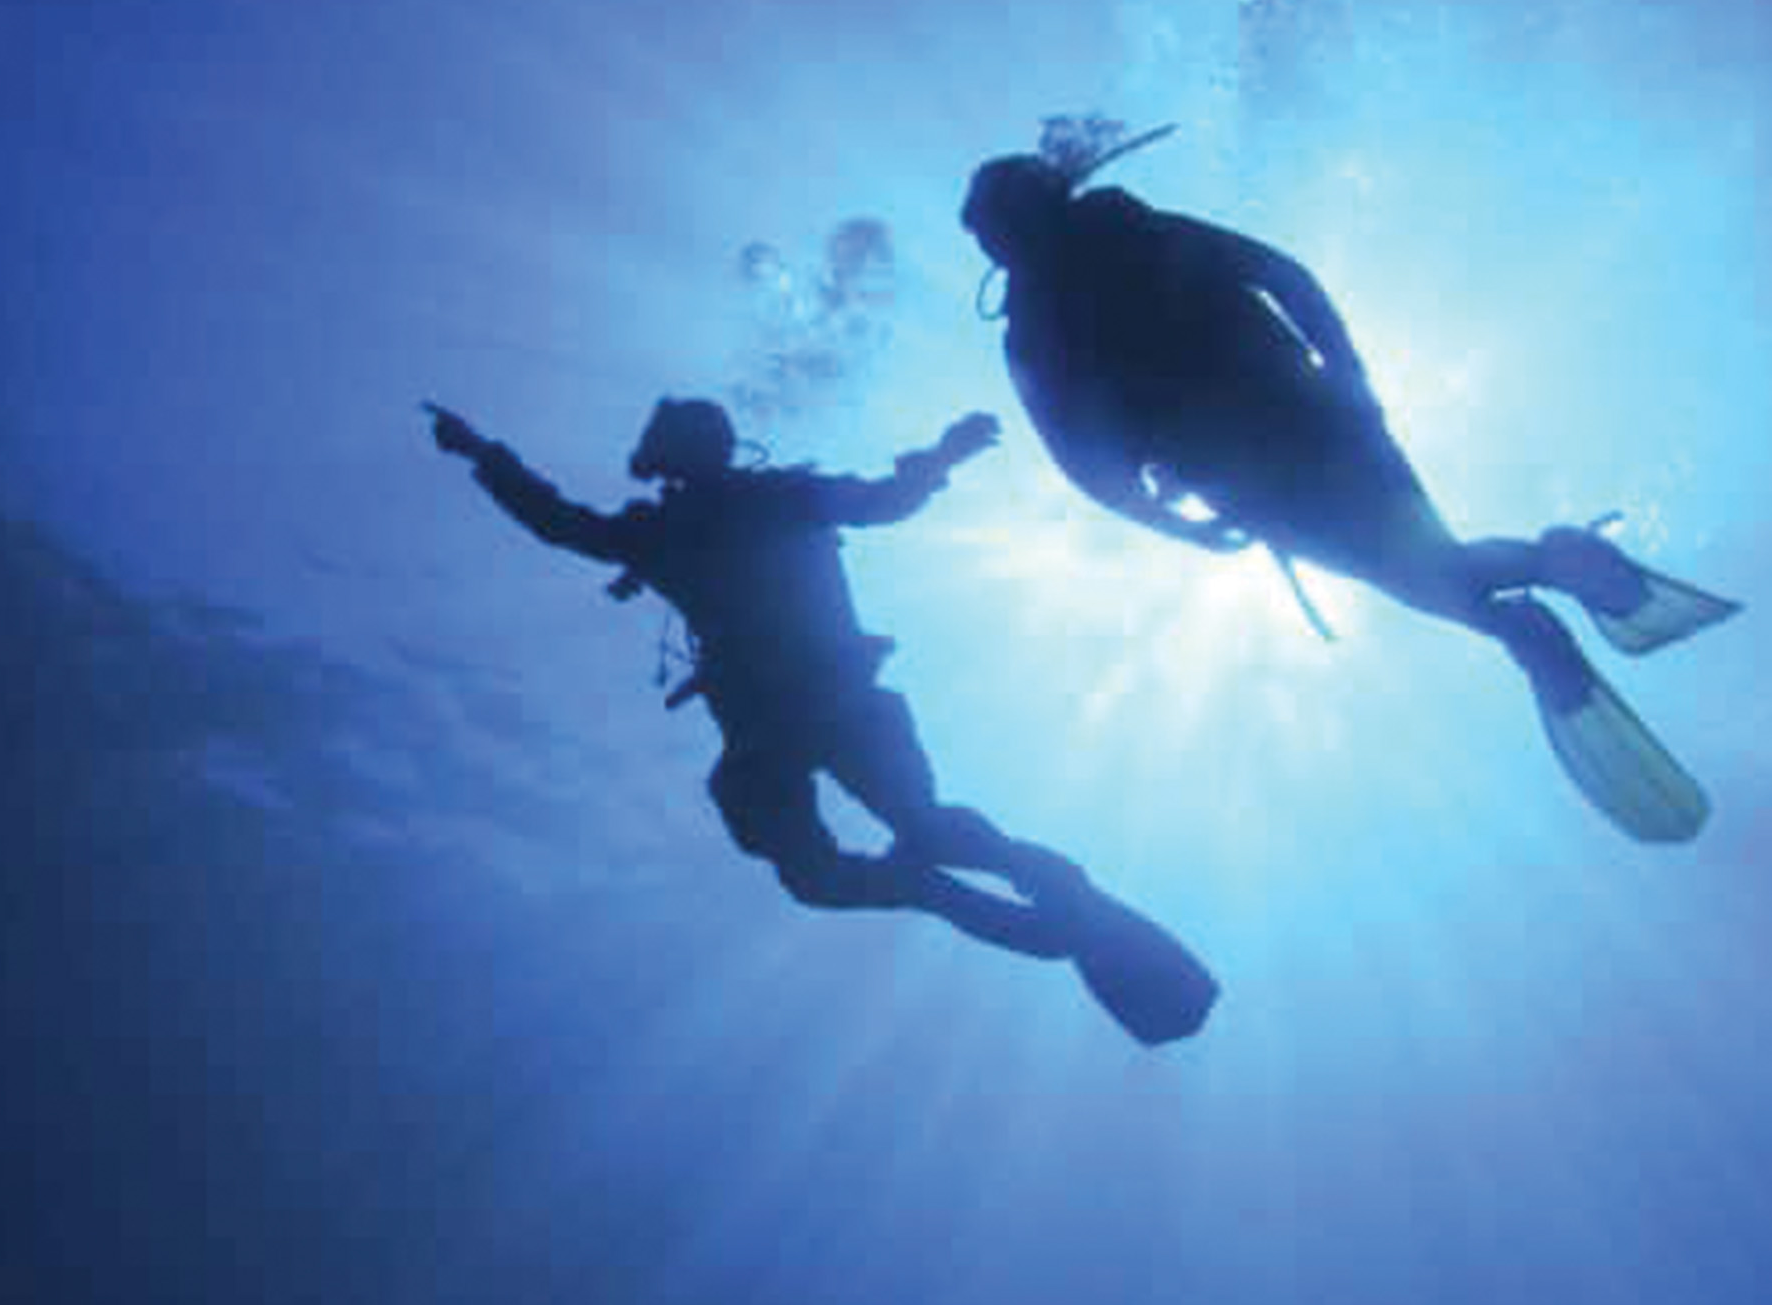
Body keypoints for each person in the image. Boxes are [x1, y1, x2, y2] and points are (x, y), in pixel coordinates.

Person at [959, 137, 1740, 843]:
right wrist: (1347, 375)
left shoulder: (1036, 329)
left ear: (1000, 239)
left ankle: (1532, 596)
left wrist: (1182, 527)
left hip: (1253, 479)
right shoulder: (1134, 232)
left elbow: (1087, 470)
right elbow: (1283, 277)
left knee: (1420, 577)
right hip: (1320, 418)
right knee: (1426, 565)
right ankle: (1532, 594)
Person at [423, 392, 1217, 1048]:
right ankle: (986, 894)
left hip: (792, 717)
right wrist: (942, 455)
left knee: (866, 853)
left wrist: (483, 456)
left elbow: (560, 523)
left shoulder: (683, 526)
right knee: (887, 844)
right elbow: (883, 501)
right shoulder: (741, 509)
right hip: (817, 711)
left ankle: (957, 892)